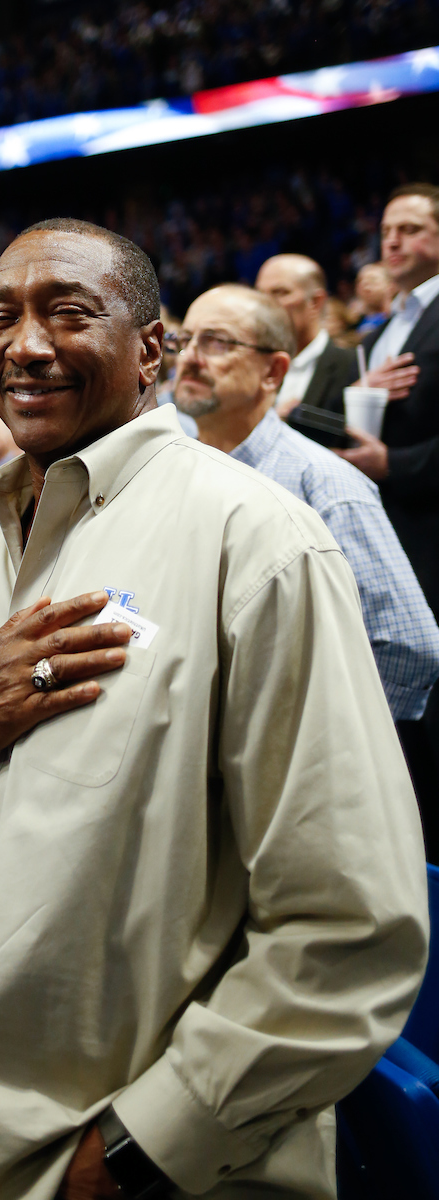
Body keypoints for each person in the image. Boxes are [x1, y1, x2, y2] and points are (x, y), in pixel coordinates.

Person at [0, 220, 427, 1200]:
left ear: (150, 349)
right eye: (1, 318)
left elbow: (347, 932)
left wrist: (129, 1155)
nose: (25, 344)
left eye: (67, 313)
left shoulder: (255, 542)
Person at [171, 283, 439, 724]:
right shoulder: (175, 466)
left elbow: (408, 648)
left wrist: (315, 748)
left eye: (216, 342)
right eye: (184, 341)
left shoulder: (326, 484)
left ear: (273, 372)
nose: (190, 358)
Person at [336, 182, 439, 860]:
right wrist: (359, 400)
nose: (393, 239)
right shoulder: (390, 322)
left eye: (412, 227)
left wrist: (393, 462)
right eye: (387, 227)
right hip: (393, 527)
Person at [255, 253, 356, 418]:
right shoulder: (252, 363)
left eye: (280, 292)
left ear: (315, 302)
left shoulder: (352, 365)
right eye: (260, 294)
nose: (265, 304)